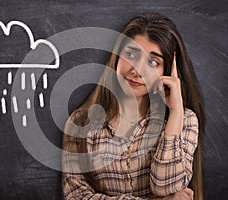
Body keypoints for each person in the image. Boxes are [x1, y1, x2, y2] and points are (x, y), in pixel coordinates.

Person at [62, 12, 205, 200]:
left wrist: (175, 112)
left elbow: (167, 187)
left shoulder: (184, 120)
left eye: (153, 62)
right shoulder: (81, 122)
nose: (136, 70)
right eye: (130, 54)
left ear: (168, 70)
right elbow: (76, 196)